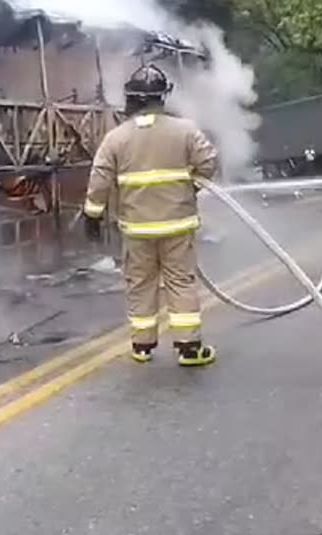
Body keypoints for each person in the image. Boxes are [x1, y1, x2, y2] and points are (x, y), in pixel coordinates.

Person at [81, 64, 220, 366]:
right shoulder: (185, 130)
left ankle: (142, 346)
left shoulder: (116, 138)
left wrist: (91, 216)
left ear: (131, 99)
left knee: (139, 283)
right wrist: (190, 187)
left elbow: (100, 178)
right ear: (162, 97)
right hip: (177, 226)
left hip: (137, 230)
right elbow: (209, 162)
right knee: (181, 282)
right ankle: (189, 349)